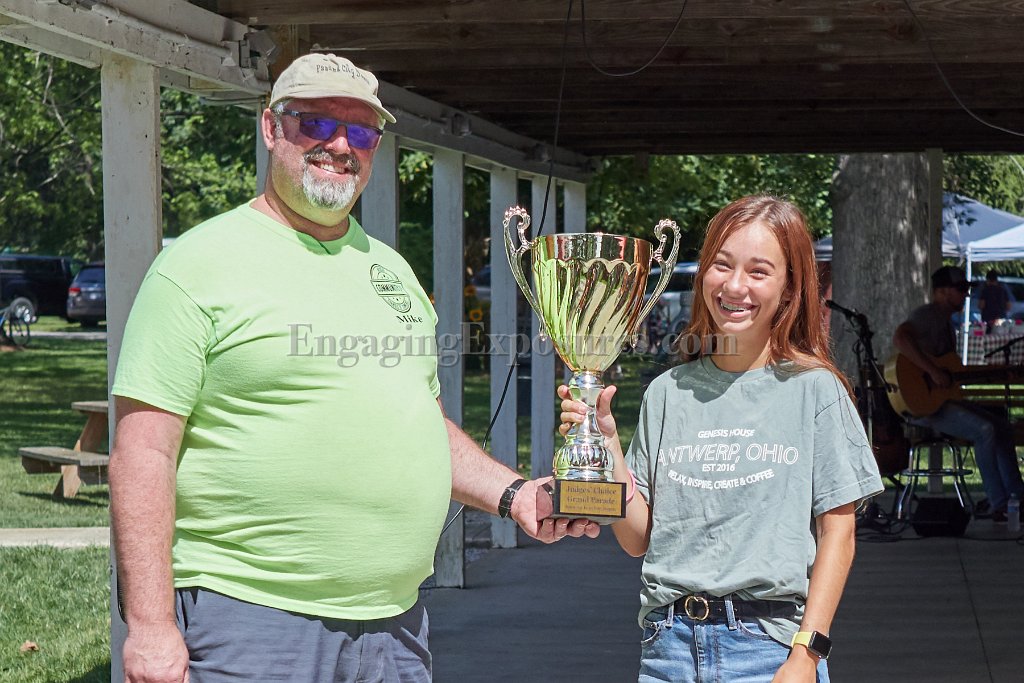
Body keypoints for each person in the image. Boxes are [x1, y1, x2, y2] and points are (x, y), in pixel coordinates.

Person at [108, 53, 598, 683]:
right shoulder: (196, 266)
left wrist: (515, 493)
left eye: (361, 132)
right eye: (315, 123)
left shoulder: (391, 270)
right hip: (252, 620)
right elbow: (142, 453)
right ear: (270, 128)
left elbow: (421, 427)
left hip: (396, 625)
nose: (340, 146)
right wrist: (149, 625)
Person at [559, 195, 883, 682]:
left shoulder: (816, 390)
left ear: (790, 287)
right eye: (722, 265)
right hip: (667, 651)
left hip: (768, 650)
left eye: (758, 271)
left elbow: (840, 533)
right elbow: (637, 539)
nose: (734, 286)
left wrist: (807, 654)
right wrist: (607, 446)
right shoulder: (667, 392)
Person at [893, 265, 1024, 522]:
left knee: (1002, 427)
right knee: (985, 430)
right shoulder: (927, 315)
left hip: (943, 401)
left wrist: (1001, 372)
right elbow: (900, 339)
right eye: (960, 289)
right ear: (941, 292)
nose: (966, 294)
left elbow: (952, 372)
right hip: (925, 407)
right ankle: (998, 503)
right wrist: (932, 371)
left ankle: (1017, 496)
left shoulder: (944, 322)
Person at [978, 269, 1011, 333]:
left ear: (988, 279)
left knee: (988, 337)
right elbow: (1009, 306)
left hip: (988, 320)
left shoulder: (985, 290)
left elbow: (981, 305)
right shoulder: (1003, 290)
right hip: (1001, 320)